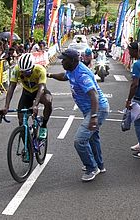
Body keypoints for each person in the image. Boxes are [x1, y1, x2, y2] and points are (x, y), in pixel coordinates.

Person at [48, 49, 109, 182]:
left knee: (80, 140)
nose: (62, 62)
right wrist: (50, 75)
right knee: (92, 138)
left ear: (74, 60)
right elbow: (65, 76)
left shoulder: (82, 74)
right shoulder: (71, 70)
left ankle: (91, 168)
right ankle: (99, 165)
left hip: (97, 109)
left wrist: (93, 117)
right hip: (90, 109)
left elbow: (94, 95)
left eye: (64, 60)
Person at [0, 53, 53, 139]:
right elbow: (11, 87)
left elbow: (41, 88)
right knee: (21, 120)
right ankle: (27, 148)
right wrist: (6, 106)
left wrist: (35, 105)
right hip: (27, 93)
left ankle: (43, 125)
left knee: (48, 101)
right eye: (22, 72)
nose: (25, 74)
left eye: (27, 71)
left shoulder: (40, 69)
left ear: (32, 67)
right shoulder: (16, 69)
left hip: (39, 92)